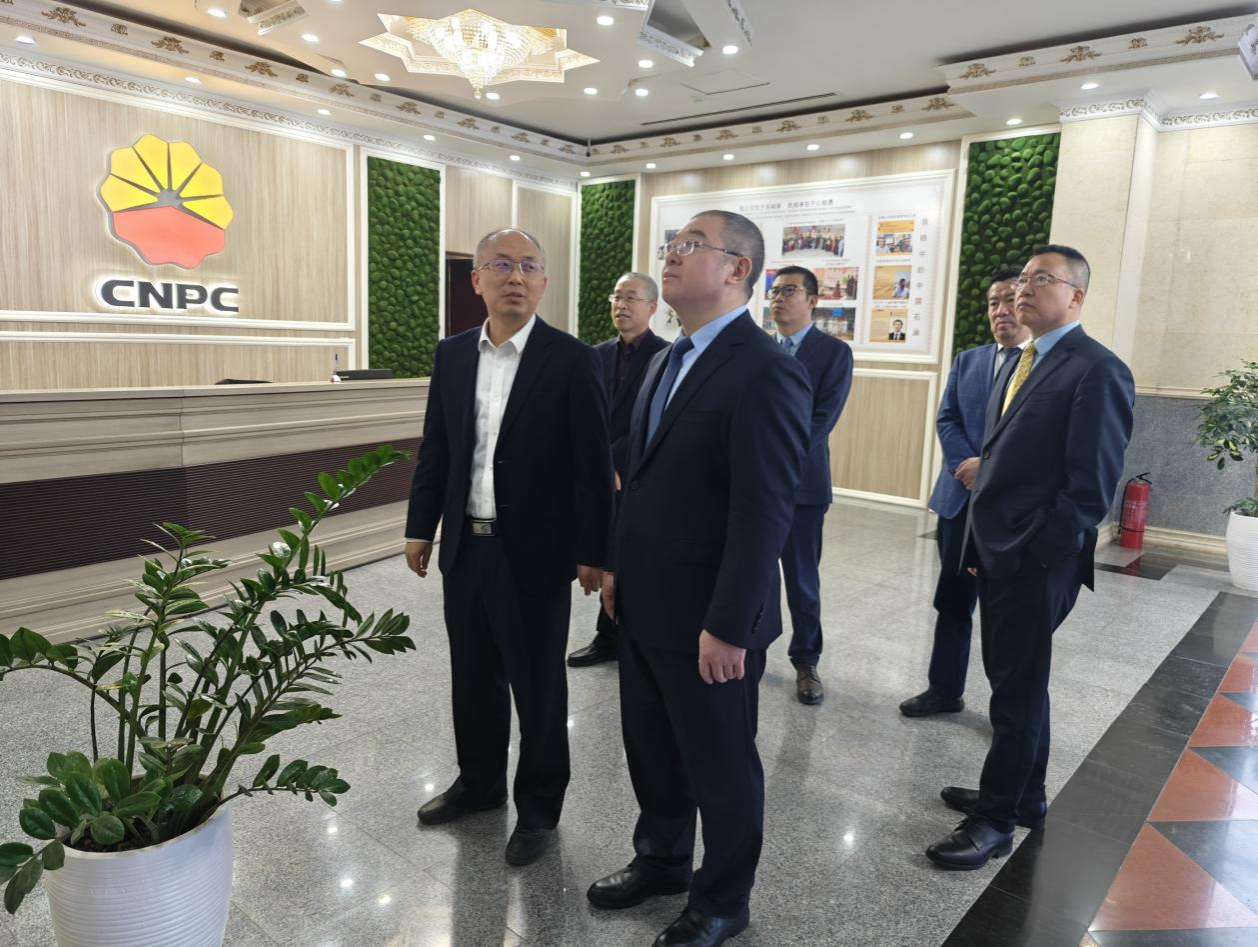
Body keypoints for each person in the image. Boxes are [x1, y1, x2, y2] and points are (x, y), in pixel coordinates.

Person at [588, 211, 810, 947]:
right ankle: (662, 860)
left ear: (738, 269)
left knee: (721, 765)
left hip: (712, 616)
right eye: (670, 246)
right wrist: (616, 566)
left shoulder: (766, 368)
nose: (671, 257)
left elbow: (764, 511)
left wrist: (730, 623)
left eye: (689, 246)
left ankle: (722, 899)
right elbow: (638, 481)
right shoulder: (668, 358)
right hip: (645, 599)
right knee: (652, 748)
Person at [404, 228, 614, 868]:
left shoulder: (571, 358)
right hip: (466, 548)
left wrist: (594, 549)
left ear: (544, 281)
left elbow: (592, 463)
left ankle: (540, 808)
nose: (515, 276)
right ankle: (479, 784)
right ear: (477, 280)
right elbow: (438, 447)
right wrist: (420, 526)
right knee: (472, 678)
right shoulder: (452, 354)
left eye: (528, 266)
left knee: (538, 685)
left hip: (537, 555)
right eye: (501, 264)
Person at [925, 245, 1134, 869]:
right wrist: (981, 548)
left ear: (1076, 296)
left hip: (1036, 559)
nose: (1022, 289)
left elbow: (1090, 489)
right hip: (997, 549)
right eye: (1021, 278)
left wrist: (1034, 555)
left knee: (1015, 691)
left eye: (1041, 279)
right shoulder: (1021, 361)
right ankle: (1025, 796)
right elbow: (997, 464)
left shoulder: (1097, 369)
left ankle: (994, 820)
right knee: (1015, 681)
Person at [899, 268, 1029, 718]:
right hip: (959, 501)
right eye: (993, 302)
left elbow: (1036, 441)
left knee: (1005, 614)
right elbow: (948, 419)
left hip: (1010, 513)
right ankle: (944, 689)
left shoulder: (1044, 367)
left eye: (1009, 300)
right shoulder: (968, 361)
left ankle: (1008, 710)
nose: (1000, 311)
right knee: (952, 601)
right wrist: (965, 467)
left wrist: (987, 471)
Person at [568, 273, 668, 668]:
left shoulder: (666, 356)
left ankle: (625, 635)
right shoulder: (594, 355)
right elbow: (583, 416)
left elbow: (655, 422)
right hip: (596, 474)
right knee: (599, 548)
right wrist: (595, 462)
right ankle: (608, 635)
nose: (621, 305)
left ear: (652, 308)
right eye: (616, 296)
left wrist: (610, 460)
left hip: (638, 471)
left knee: (627, 555)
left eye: (631, 298)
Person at [768, 265, 853, 704]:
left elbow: (822, 420)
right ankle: (748, 647)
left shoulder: (833, 353)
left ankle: (806, 661)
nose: (778, 298)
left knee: (801, 579)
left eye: (789, 291)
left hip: (802, 486)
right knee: (754, 572)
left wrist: (770, 457)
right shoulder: (760, 348)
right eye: (774, 291)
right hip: (755, 487)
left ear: (813, 301)